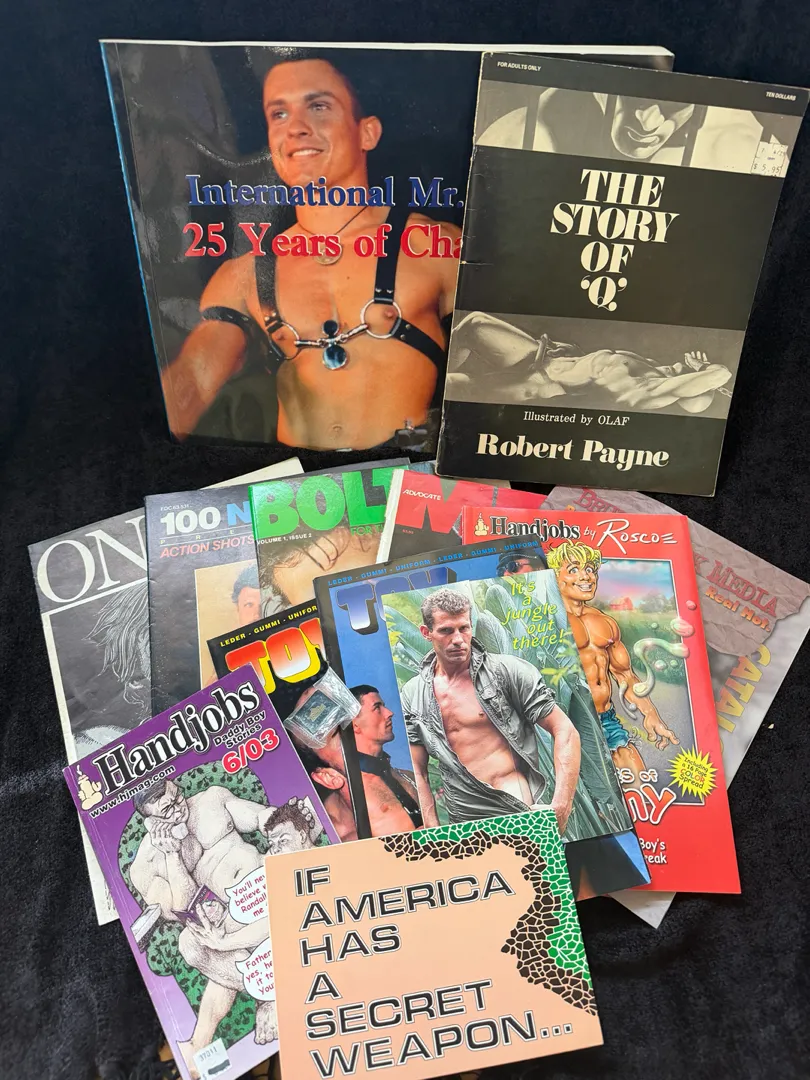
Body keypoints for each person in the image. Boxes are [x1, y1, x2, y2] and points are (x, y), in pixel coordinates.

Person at [163, 56, 460, 450]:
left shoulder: (436, 247)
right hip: (300, 486)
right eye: (279, 114)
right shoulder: (244, 275)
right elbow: (194, 379)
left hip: (405, 478)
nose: (296, 128)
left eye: (318, 106)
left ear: (367, 133)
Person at [128, 779, 316, 1074]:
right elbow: (184, 911)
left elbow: (258, 816)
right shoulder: (146, 865)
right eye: (168, 810)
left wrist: (279, 820)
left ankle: (256, 1005)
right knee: (190, 943)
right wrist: (173, 855)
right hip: (226, 922)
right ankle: (264, 997)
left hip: (266, 888)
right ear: (151, 822)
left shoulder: (211, 800)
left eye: (177, 797)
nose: (179, 809)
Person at [400, 588, 580, 833]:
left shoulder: (506, 672)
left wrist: (561, 806)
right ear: (426, 632)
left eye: (464, 628)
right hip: (464, 818)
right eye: (446, 631)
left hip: (514, 805)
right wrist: (432, 828)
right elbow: (417, 769)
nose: (458, 639)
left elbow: (565, 730)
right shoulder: (413, 694)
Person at [546, 539, 679, 783]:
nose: (585, 576)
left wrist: (651, 714)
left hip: (606, 719)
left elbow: (625, 676)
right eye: (573, 569)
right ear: (555, 577)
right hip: (567, 725)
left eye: (590, 569)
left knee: (639, 784)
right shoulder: (546, 621)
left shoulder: (604, 622)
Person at [445, 311, 733, 414]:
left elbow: (720, 374)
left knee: (458, 386)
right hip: (545, 358)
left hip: (538, 381)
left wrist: (702, 370)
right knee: (474, 324)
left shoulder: (645, 390)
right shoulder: (653, 368)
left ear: (682, 386)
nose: (684, 367)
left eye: (689, 375)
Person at [350, 684, 422, 834]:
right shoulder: (350, 793)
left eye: (384, 706)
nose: (389, 713)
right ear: (354, 725)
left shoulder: (409, 777)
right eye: (377, 708)